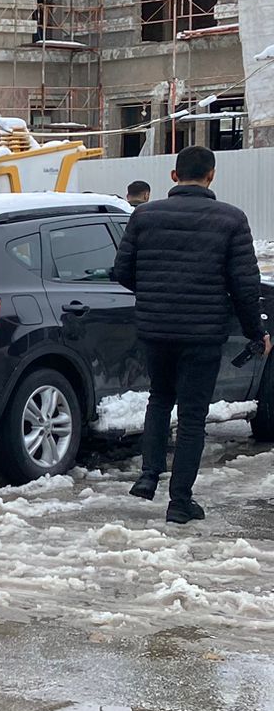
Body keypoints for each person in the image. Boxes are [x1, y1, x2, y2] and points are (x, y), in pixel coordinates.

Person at [111, 145, 269, 523]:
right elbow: (244, 285)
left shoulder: (144, 216)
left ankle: (149, 476)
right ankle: (180, 501)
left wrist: (153, 295)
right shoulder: (231, 219)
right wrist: (256, 332)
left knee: (159, 398)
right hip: (203, 334)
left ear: (173, 176)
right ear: (212, 175)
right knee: (193, 416)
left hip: (155, 329)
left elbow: (122, 271)